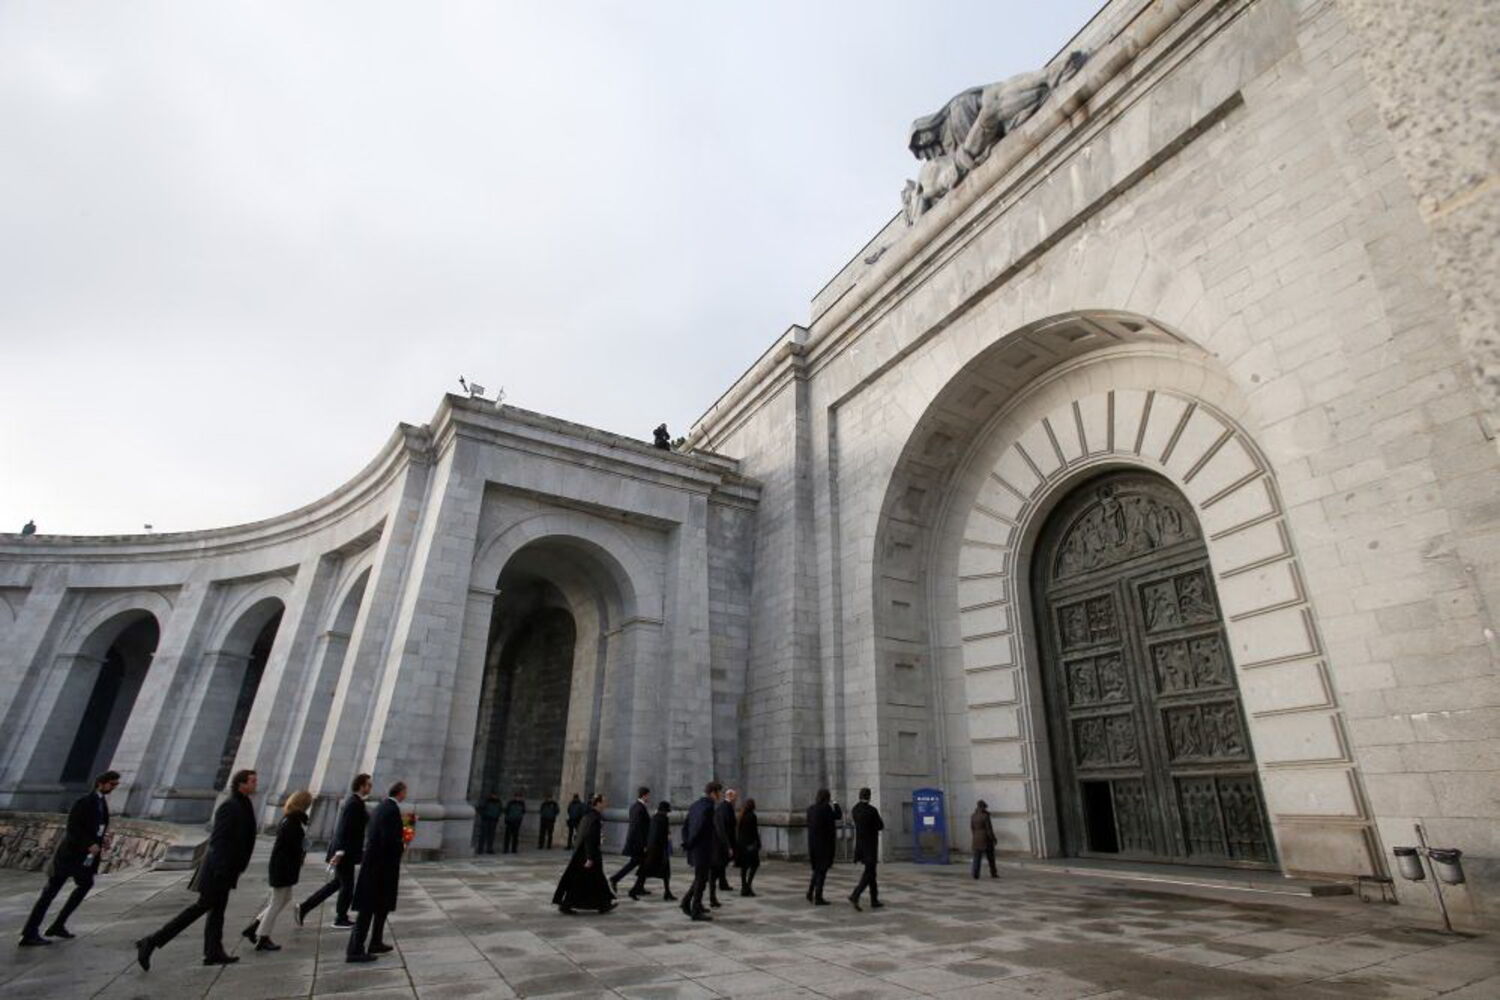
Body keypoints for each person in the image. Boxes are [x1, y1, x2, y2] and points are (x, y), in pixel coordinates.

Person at [136, 769, 258, 970]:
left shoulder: (244, 804)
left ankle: (213, 952)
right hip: (218, 869)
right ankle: (152, 941)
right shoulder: (230, 806)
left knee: (217, 911)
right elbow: (218, 840)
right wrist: (221, 868)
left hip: (228, 868)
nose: (255, 784)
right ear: (241, 784)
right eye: (252, 781)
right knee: (201, 908)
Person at [18, 770, 119, 946]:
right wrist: (89, 843)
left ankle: (58, 924)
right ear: (100, 783)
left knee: (85, 884)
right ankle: (30, 932)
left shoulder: (101, 802)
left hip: (84, 857)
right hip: (69, 856)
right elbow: (73, 828)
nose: (114, 787)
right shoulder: (84, 802)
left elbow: (96, 827)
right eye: (112, 784)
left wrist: (101, 840)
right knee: (49, 893)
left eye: (116, 785)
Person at [297, 773, 371, 927]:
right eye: (368, 785)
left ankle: (304, 907)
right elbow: (345, 828)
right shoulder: (354, 803)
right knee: (347, 886)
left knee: (337, 884)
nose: (370, 788)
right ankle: (340, 918)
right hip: (344, 852)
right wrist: (340, 852)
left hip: (345, 851)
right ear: (361, 786)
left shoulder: (356, 802)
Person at [243, 790, 311, 951]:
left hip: (283, 867)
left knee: (284, 899)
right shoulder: (292, 822)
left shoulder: (291, 819)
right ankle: (263, 936)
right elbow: (291, 847)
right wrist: (301, 851)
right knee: (276, 902)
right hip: (283, 868)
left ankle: (254, 927)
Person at [347, 781, 408, 963]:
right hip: (380, 867)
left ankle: (375, 941)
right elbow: (389, 839)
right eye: (405, 792)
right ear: (400, 792)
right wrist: (402, 845)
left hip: (376, 865)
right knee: (368, 908)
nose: (406, 795)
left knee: (381, 906)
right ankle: (355, 950)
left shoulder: (382, 806)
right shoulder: (391, 809)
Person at [552, 794, 615, 914]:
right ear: (598, 803)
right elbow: (589, 838)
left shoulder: (590, 816)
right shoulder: (593, 818)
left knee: (596, 880)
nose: (606, 804)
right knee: (582, 881)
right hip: (588, 855)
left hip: (587, 854)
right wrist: (590, 857)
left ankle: (603, 904)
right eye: (604, 802)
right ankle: (567, 905)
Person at [680, 781, 719, 922]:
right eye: (719, 793)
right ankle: (695, 910)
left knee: (700, 878)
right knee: (701, 879)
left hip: (695, 848)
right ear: (713, 793)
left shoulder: (695, 805)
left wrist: (687, 843)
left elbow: (685, 826)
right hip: (703, 848)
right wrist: (691, 843)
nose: (719, 796)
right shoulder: (709, 807)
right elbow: (701, 828)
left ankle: (687, 902)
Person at [848, 787, 884, 910]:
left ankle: (874, 899)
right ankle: (855, 894)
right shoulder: (872, 810)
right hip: (870, 845)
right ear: (869, 796)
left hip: (860, 845)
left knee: (871, 872)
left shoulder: (855, 809)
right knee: (869, 873)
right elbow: (880, 825)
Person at [611, 786, 651, 896]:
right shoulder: (639, 808)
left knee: (642, 864)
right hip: (638, 843)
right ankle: (615, 879)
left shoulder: (635, 807)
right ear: (644, 795)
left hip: (636, 842)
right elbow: (637, 828)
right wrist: (644, 844)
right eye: (648, 795)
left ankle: (639, 887)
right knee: (636, 863)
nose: (649, 798)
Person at [805, 788, 841, 905]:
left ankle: (810, 892)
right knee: (822, 872)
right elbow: (838, 815)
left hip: (813, 844)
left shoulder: (810, 809)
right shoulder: (826, 809)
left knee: (817, 870)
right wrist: (835, 803)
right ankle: (818, 897)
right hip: (824, 845)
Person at [637, 801, 675, 902]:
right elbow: (663, 835)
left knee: (645, 870)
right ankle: (667, 892)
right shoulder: (664, 819)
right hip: (660, 850)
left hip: (651, 848)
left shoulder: (654, 818)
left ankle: (638, 887)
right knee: (665, 872)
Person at [711, 788, 737, 904]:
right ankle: (719, 883)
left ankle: (722, 882)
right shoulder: (725, 807)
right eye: (734, 796)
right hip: (723, 840)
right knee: (721, 863)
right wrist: (728, 844)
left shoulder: (724, 807)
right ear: (730, 796)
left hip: (723, 840)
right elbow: (724, 827)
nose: (736, 799)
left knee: (722, 863)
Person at [735, 797, 761, 898]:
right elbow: (754, 831)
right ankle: (748, 886)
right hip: (750, 845)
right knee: (754, 865)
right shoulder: (752, 816)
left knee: (744, 867)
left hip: (741, 845)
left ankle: (744, 886)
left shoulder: (740, 816)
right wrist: (758, 843)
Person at [971, 799, 998, 879]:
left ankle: (975, 874)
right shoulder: (985, 816)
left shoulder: (973, 816)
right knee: (991, 857)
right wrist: (993, 839)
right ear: (983, 807)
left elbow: (972, 828)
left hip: (976, 839)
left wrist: (975, 836)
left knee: (977, 858)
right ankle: (993, 873)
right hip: (986, 839)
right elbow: (989, 829)